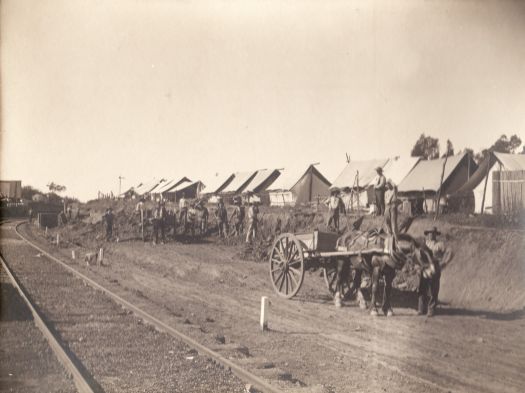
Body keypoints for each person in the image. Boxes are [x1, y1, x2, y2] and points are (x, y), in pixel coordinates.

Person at [418, 227, 453, 317]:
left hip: (435, 266)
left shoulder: (440, 244)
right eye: (429, 233)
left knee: (433, 289)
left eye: (433, 233)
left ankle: (431, 309)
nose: (431, 235)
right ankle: (421, 309)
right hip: (425, 267)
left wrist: (445, 263)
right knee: (422, 288)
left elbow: (450, 251)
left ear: (436, 234)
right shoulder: (424, 243)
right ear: (427, 234)